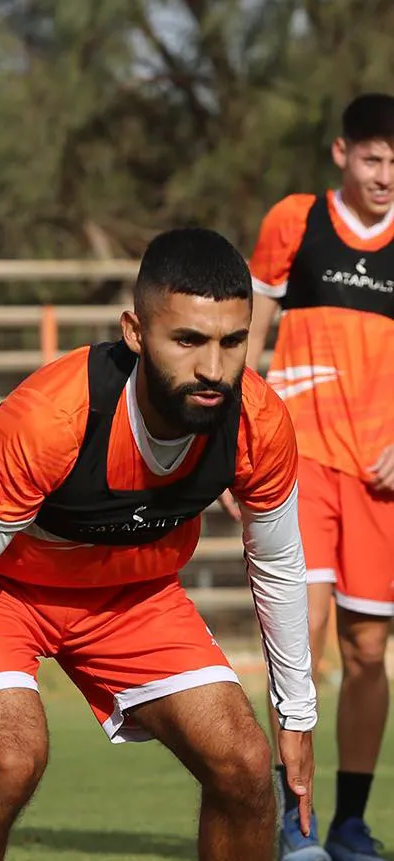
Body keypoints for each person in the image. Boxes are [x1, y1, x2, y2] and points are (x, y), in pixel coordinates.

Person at [0, 227, 317, 861]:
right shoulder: (49, 418)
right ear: (137, 332)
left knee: (244, 764)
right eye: (188, 340)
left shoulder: (257, 422)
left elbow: (279, 563)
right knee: (12, 759)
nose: (213, 367)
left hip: (127, 584)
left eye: (233, 342)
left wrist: (297, 712)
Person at [246, 93, 394, 861]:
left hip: (379, 483)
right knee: (299, 635)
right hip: (297, 461)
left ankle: (350, 823)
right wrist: (234, 435)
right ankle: (294, 819)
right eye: (374, 157)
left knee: (369, 649)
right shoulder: (293, 222)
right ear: (343, 154)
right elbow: (249, 334)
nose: (386, 174)